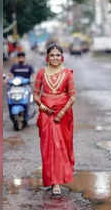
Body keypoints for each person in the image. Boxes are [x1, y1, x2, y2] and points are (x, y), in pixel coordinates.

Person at [33, 43, 76, 195]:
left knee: (59, 147)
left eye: (58, 55)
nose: (55, 58)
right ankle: (51, 180)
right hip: (46, 114)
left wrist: (61, 113)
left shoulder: (67, 74)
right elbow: (36, 94)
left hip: (62, 115)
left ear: (62, 57)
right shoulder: (41, 73)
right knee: (48, 148)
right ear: (47, 57)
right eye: (52, 55)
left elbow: (72, 97)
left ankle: (57, 182)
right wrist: (43, 107)